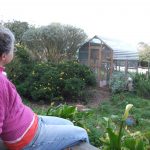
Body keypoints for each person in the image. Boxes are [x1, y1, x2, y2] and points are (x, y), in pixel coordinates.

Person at [0, 27, 89, 150]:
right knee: (81, 133)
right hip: (27, 138)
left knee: (68, 123)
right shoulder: (1, 83)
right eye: (13, 48)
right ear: (4, 56)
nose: (14, 51)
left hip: (32, 122)